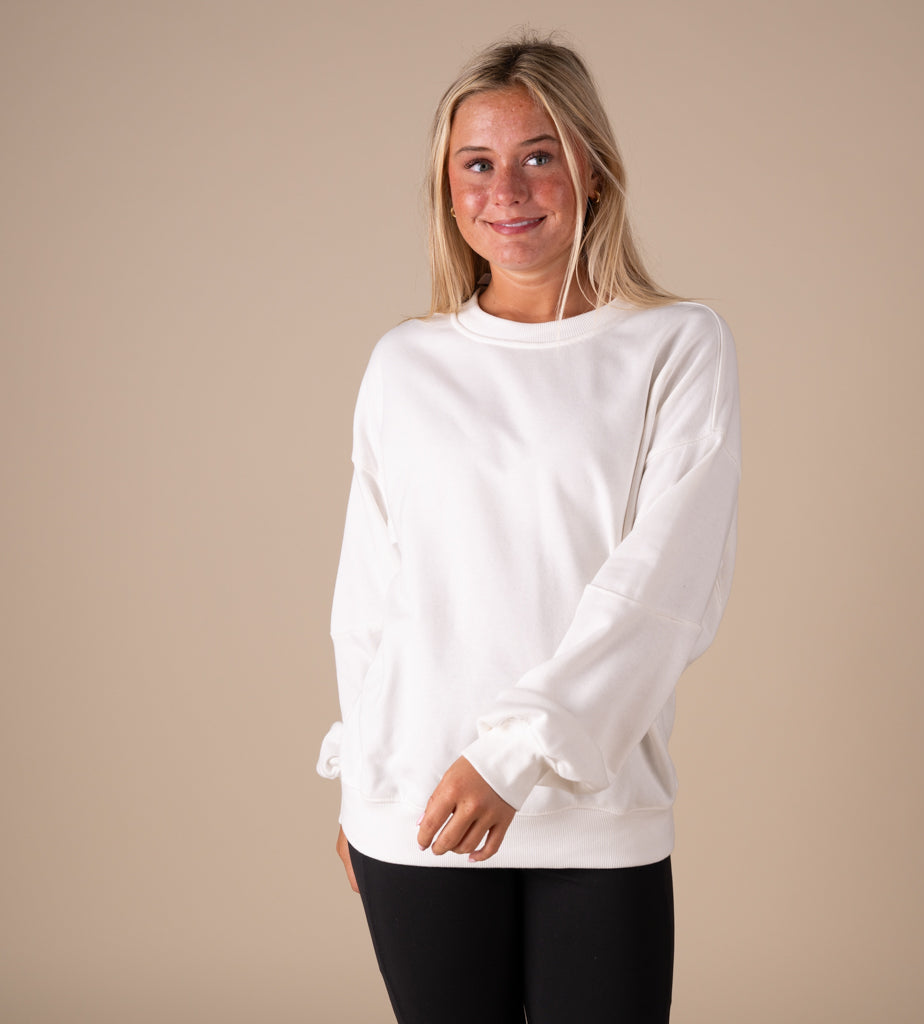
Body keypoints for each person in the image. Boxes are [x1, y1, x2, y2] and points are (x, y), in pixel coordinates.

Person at [316, 33, 740, 1024]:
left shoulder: (673, 346)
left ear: (590, 165)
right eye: (477, 162)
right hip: (416, 810)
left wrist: (512, 757)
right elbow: (369, 597)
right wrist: (362, 786)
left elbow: (664, 588)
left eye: (537, 154)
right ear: (447, 186)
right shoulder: (406, 363)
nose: (505, 187)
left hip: (592, 814)